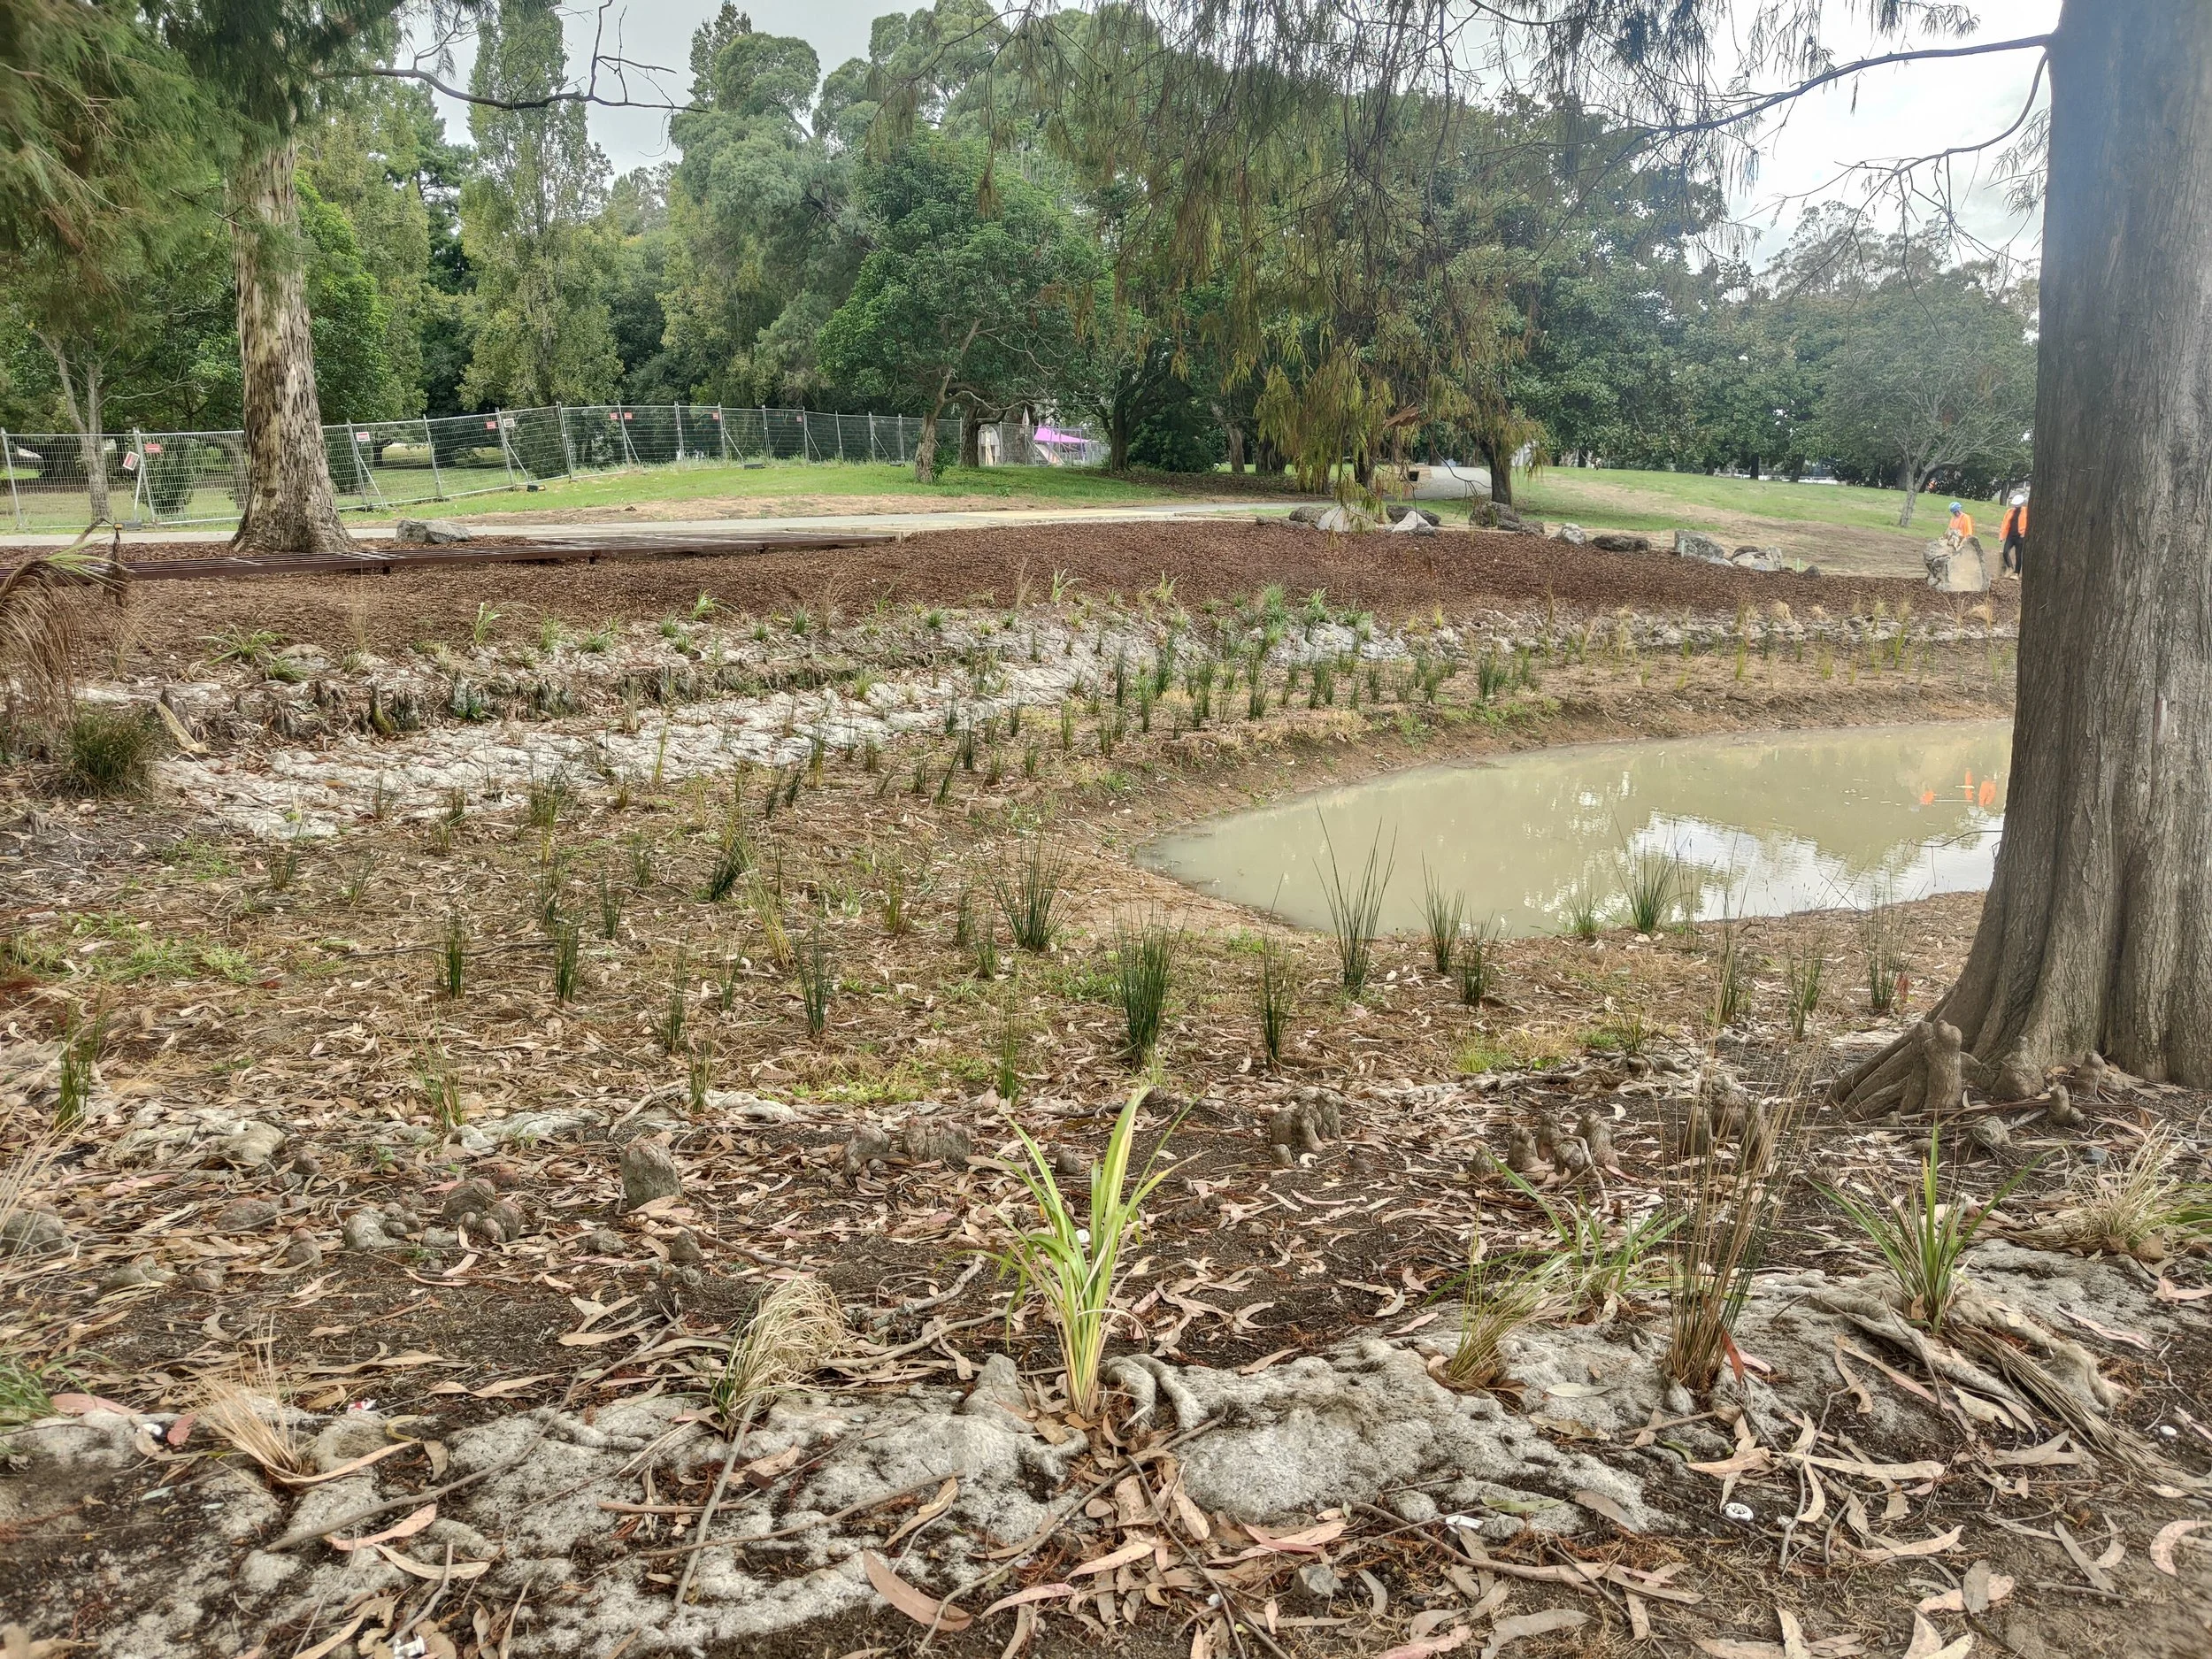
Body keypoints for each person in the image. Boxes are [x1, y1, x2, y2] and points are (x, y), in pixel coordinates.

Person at [2000, 492, 2029, 578]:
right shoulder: (2009, 511)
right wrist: (2002, 536)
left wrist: (2025, 533)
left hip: (2020, 536)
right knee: (2005, 552)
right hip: (2010, 536)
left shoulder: (2026, 511)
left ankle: (2016, 573)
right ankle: (2010, 568)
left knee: (2018, 555)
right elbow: (2004, 524)